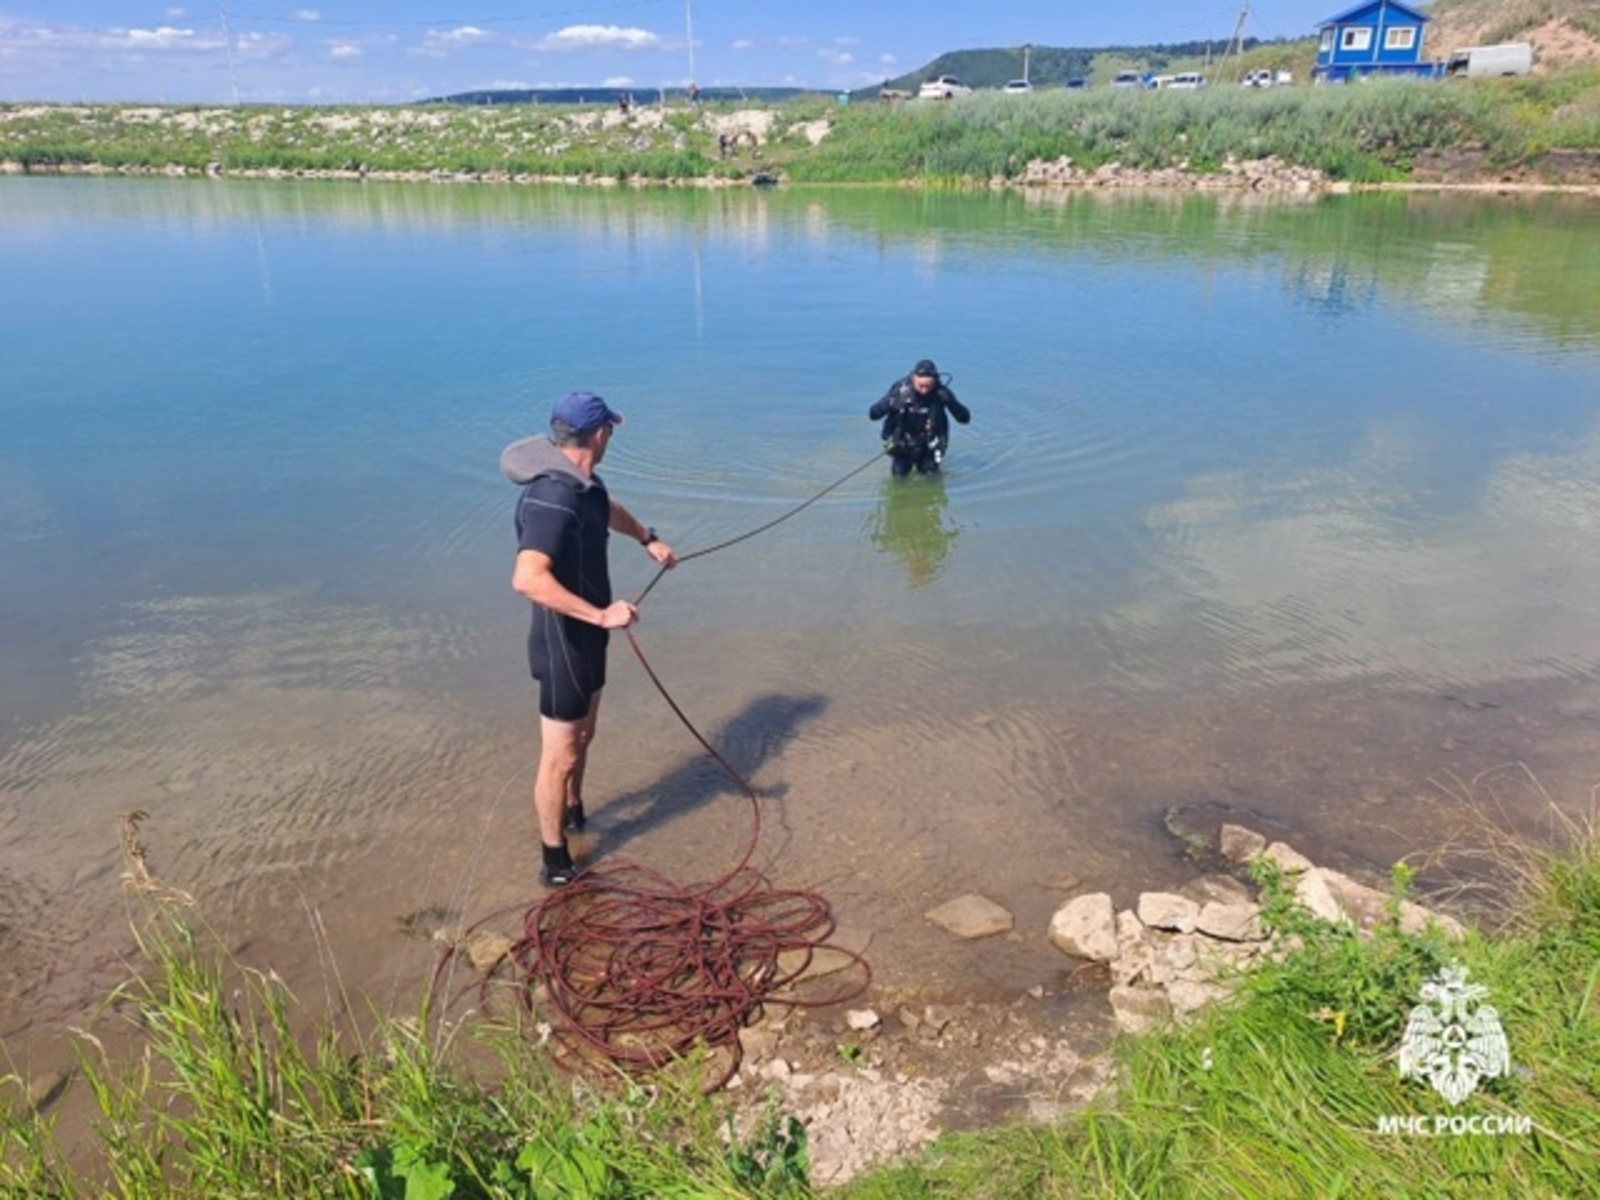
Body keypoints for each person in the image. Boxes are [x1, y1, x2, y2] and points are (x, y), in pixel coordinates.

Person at [501, 391, 677, 886]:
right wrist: (600, 616)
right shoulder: (552, 499)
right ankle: (554, 861)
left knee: (583, 738)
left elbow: (606, 506)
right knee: (560, 754)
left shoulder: (584, 484)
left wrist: (648, 538)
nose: (611, 438)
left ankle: (575, 812)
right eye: (612, 431)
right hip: (563, 641)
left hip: (590, 635)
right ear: (600, 435)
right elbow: (528, 578)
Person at [868, 359, 971, 478]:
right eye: (921, 386)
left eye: (929, 386)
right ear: (913, 378)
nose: (924, 391)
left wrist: (951, 402)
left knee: (931, 479)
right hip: (903, 443)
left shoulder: (941, 393)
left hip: (930, 444)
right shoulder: (900, 390)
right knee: (898, 479)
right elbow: (873, 415)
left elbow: (965, 419)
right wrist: (890, 403)